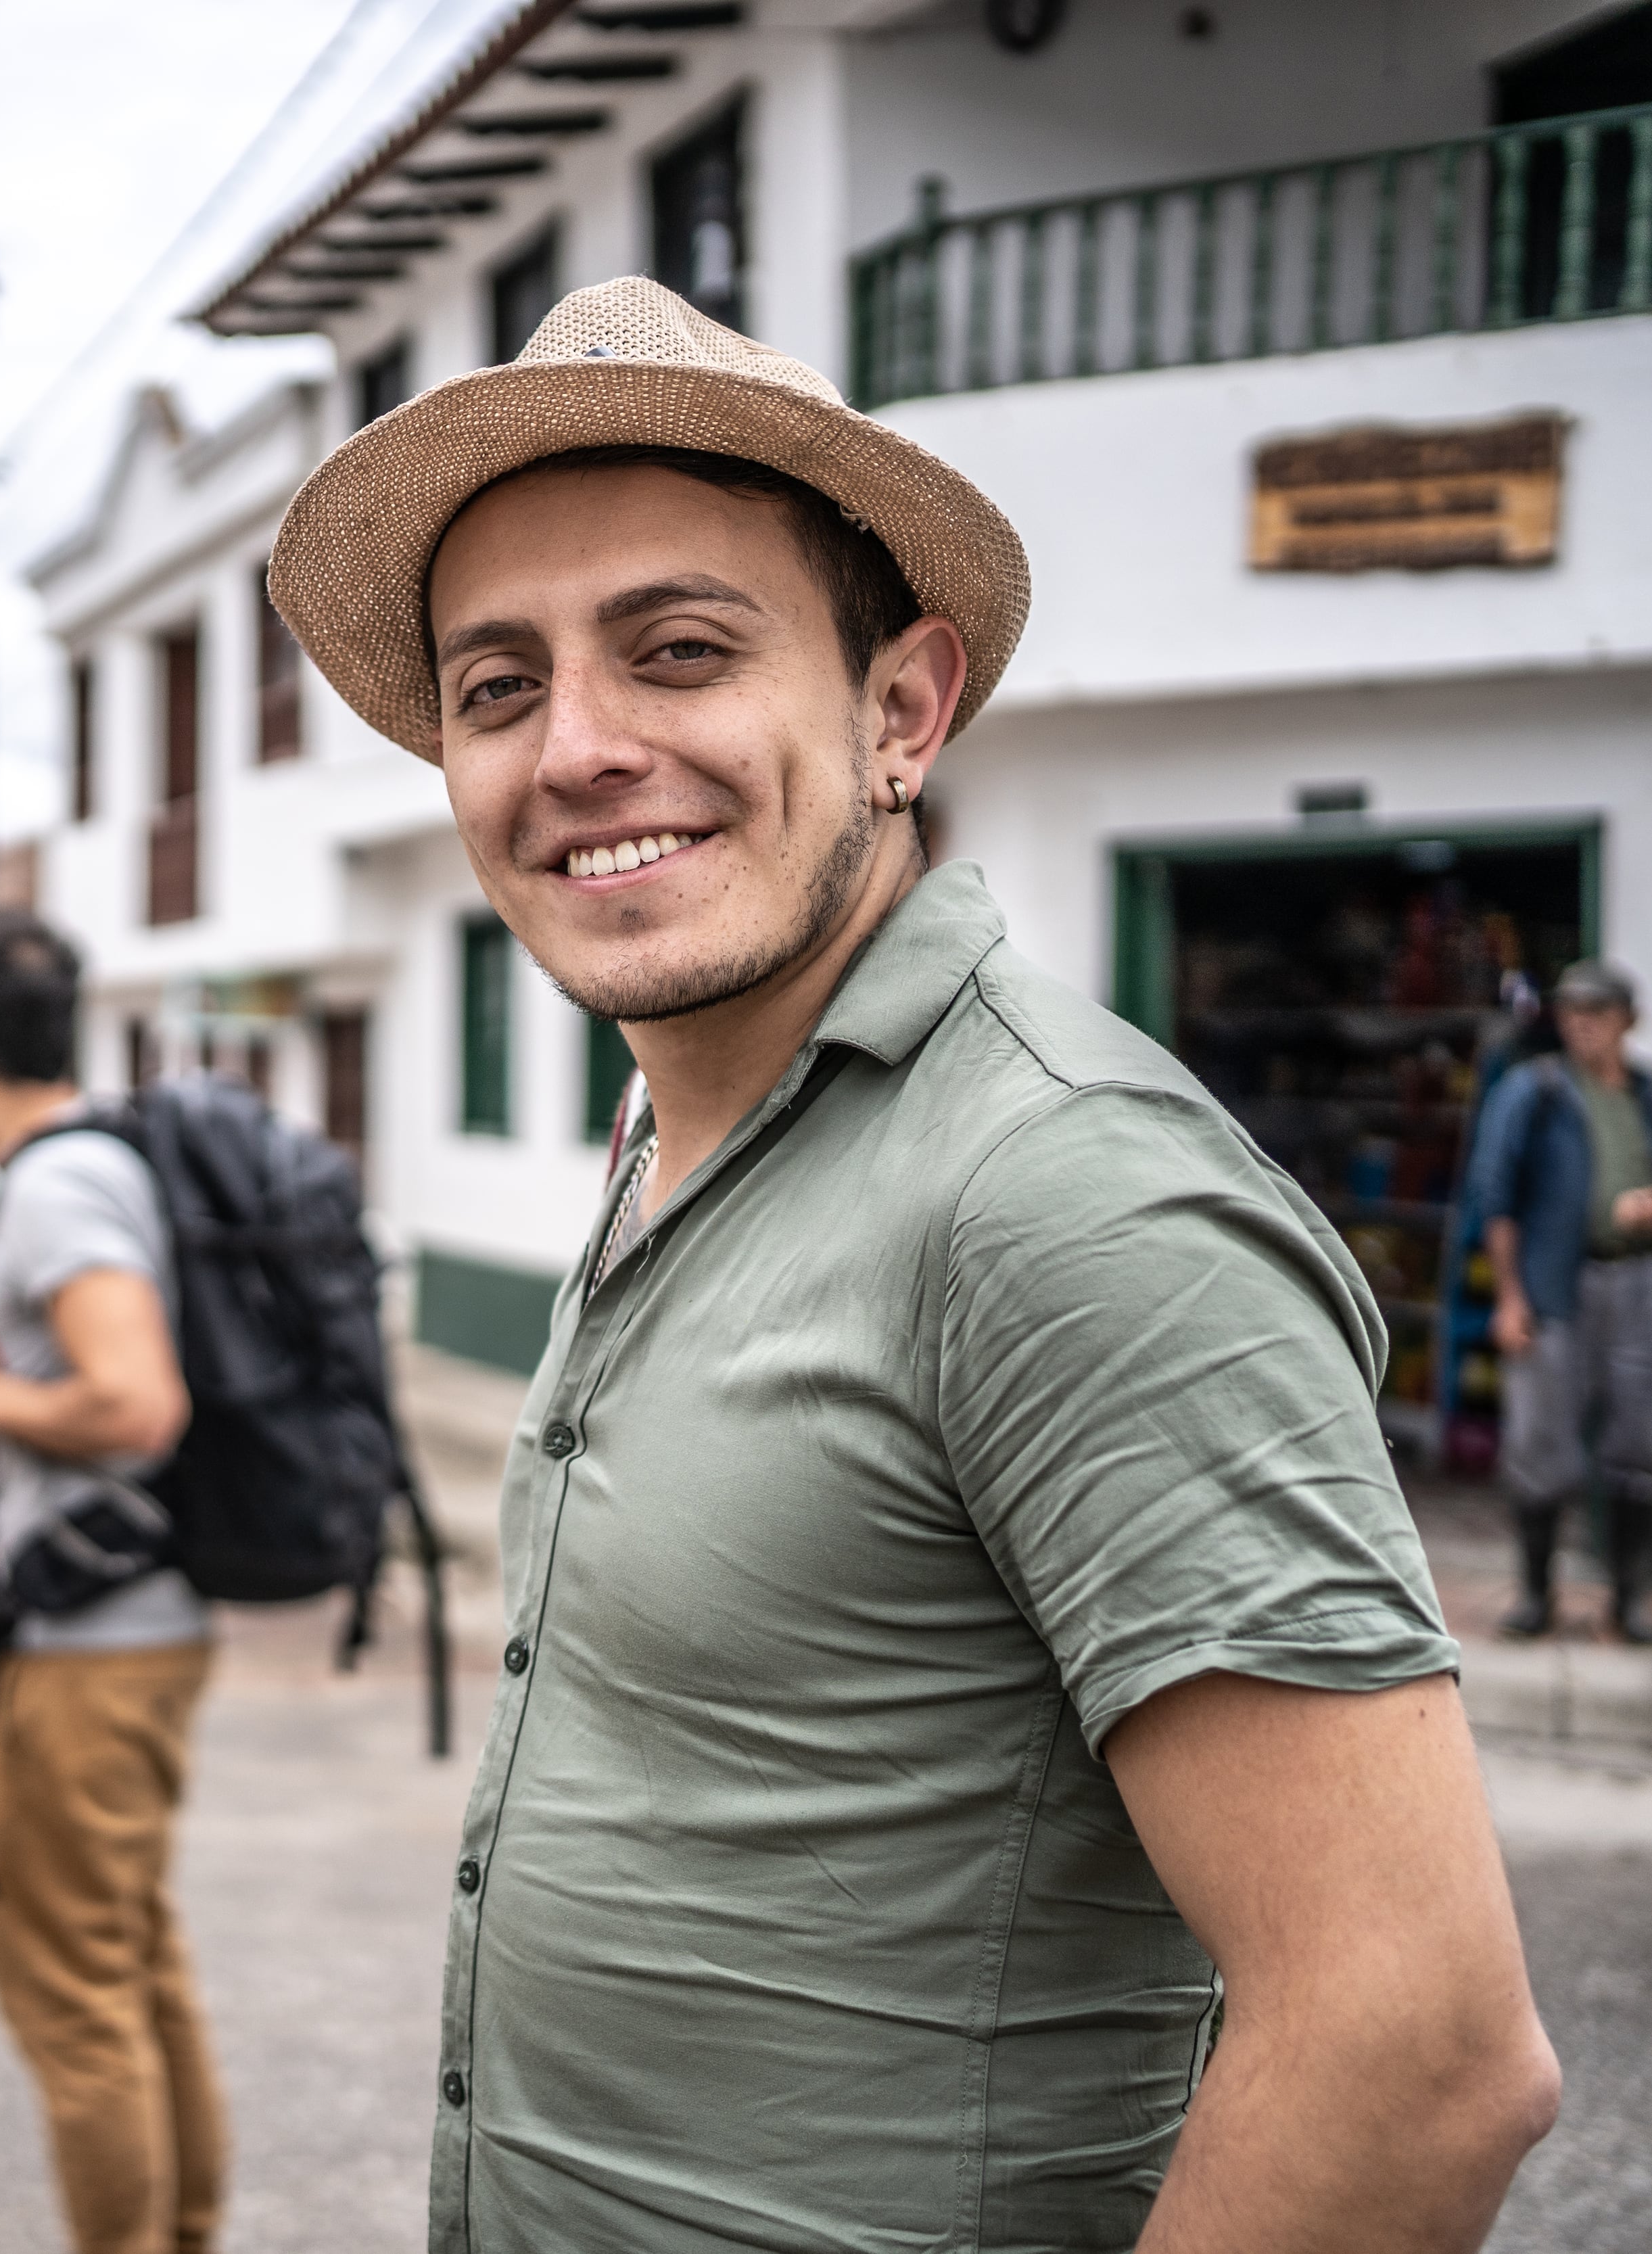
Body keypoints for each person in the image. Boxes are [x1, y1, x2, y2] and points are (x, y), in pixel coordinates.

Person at [263, 276, 1559, 2251]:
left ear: (897, 709)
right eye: (496, 685)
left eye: (677, 651)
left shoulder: (1062, 1197)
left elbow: (1417, 2052)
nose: (578, 748)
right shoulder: (676, 1138)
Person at [0, 907, 221, 2254]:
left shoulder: (54, 1186)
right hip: (132, 1624)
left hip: (92, 1644)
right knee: (133, 1968)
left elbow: (136, 1400)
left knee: (76, 1995)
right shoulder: (88, 1164)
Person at [1471, 958, 1652, 1642]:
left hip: (1641, 1282)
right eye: (1571, 1013)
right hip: (1554, 1285)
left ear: (1627, 1021)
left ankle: (1626, 1600)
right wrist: (1509, 1299)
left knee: (1642, 1440)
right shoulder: (1533, 1092)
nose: (1581, 1026)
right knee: (1539, 1440)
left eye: (1596, 1014)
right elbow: (1493, 1200)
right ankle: (1534, 1595)